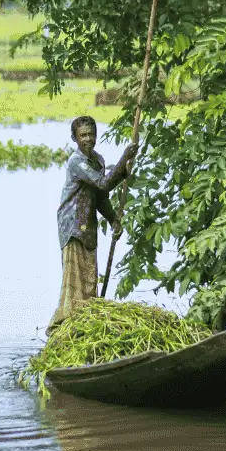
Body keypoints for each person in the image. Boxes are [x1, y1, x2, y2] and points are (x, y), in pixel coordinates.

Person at [48, 116, 138, 333]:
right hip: (72, 224)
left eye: (91, 134)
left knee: (89, 276)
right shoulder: (76, 162)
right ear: (75, 138)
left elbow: (100, 196)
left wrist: (113, 219)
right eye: (83, 135)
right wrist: (124, 160)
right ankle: (66, 323)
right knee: (74, 277)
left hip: (87, 223)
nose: (88, 139)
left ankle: (85, 321)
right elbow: (103, 183)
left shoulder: (98, 160)